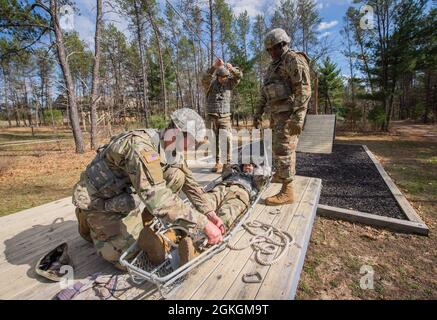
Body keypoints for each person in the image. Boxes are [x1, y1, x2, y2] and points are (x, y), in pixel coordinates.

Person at [72, 108, 225, 270]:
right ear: (178, 133)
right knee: (128, 258)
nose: (195, 146)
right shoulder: (141, 148)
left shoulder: (172, 147)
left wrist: (209, 213)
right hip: (99, 201)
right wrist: (203, 224)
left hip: (127, 197)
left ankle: (145, 222)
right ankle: (87, 220)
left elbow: (190, 184)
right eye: (194, 141)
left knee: (177, 174)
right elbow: (158, 199)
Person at [254, 28, 311, 206]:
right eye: (268, 50)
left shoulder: (293, 60)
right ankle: (280, 176)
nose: (271, 52)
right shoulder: (273, 66)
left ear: (283, 44)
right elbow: (265, 92)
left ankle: (288, 191)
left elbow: (304, 90)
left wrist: (298, 117)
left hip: (288, 115)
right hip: (276, 115)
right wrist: (258, 112)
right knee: (277, 149)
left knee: (285, 150)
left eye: (274, 48)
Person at [202, 58, 243, 173]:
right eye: (221, 77)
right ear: (217, 76)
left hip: (225, 116)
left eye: (225, 77)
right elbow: (204, 78)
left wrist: (232, 68)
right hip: (211, 116)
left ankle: (227, 163)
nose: (223, 79)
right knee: (214, 140)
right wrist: (214, 67)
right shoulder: (209, 84)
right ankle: (217, 162)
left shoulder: (230, 83)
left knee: (228, 139)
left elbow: (239, 76)